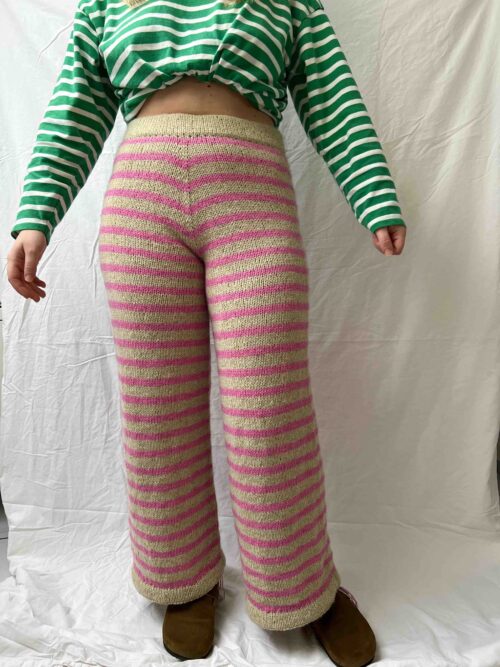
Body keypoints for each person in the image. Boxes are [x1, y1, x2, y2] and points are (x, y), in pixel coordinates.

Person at [7, 0, 407, 664]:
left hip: (253, 201)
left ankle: (304, 588)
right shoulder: (103, 4)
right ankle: (183, 581)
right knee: (157, 409)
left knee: (268, 410)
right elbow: (76, 106)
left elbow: (331, 96)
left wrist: (374, 194)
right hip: (143, 206)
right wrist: (36, 215)